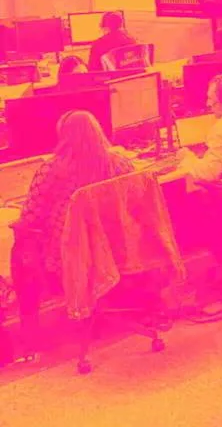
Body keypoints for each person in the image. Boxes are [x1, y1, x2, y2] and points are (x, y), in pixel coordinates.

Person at [8, 111, 134, 360]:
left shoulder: (53, 169)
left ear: (63, 136)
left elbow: (30, 217)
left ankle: (31, 337)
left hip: (69, 257)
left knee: (20, 247)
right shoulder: (119, 163)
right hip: (112, 250)